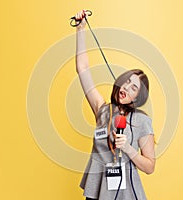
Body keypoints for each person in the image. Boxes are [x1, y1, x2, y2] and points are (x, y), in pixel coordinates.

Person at [75, 10, 156, 200]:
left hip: (126, 193)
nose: (127, 87)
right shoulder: (103, 110)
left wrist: (128, 148)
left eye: (133, 87)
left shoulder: (142, 121)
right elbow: (83, 69)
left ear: (137, 97)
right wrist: (81, 30)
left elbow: (150, 167)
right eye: (127, 81)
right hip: (97, 190)